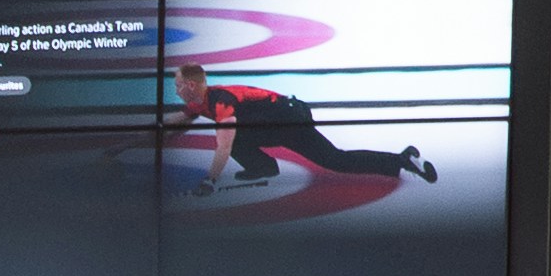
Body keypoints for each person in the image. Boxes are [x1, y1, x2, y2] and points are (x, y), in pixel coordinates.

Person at [173, 57, 434, 188]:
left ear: (191, 85)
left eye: (178, 85)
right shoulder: (200, 103)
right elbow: (174, 121)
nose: (176, 90)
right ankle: (264, 167)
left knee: (335, 160)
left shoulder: (221, 100)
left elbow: (224, 148)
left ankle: (402, 161)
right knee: (232, 134)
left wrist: (210, 180)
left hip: (288, 120)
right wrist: (134, 141)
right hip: (274, 123)